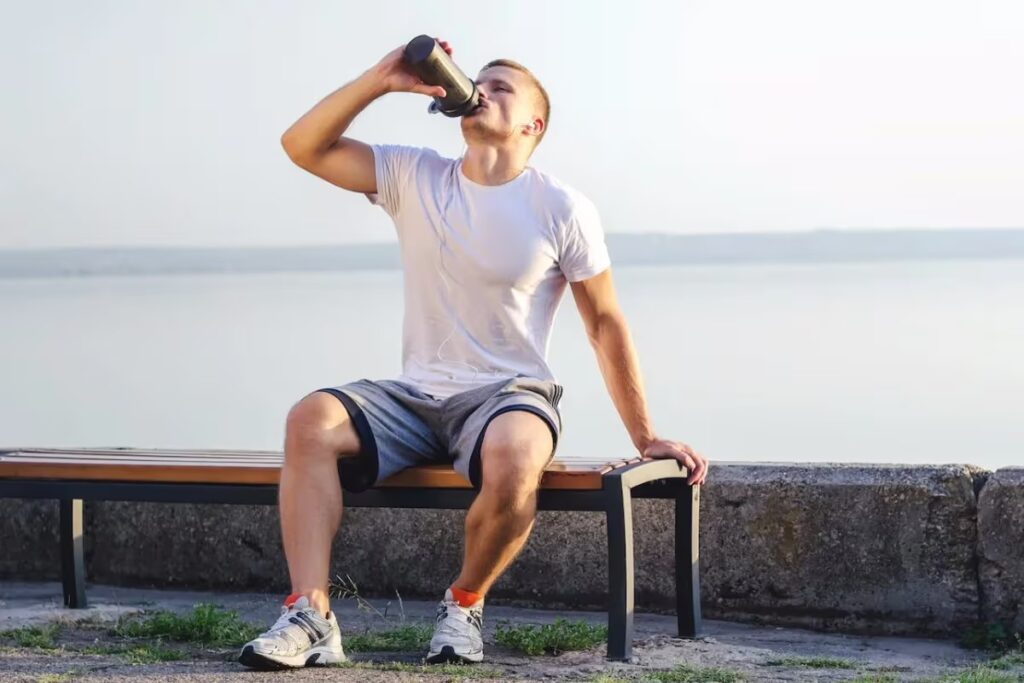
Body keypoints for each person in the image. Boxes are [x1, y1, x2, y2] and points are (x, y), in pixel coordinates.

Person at [238, 38, 710, 670]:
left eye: (501, 87)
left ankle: (463, 606)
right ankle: (310, 615)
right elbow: (303, 147)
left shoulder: (560, 207)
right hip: (414, 396)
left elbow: (604, 323)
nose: (480, 89)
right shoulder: (415, 174)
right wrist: (381, 79)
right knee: (309, 420)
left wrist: (646, 434)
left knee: (516, 455)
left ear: (531, 124)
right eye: (476, 80)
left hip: (508, 394)